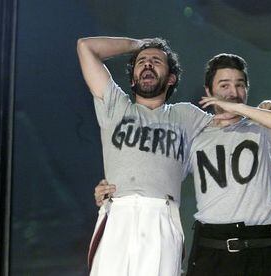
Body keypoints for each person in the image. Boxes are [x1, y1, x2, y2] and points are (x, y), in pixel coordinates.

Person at [94, 53, 271, 275]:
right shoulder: (196, 135)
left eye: (240, 85)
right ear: (209, 92)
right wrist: (111, 191)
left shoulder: (260, 127)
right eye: (224, 85)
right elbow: (157, 172)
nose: (233, 92)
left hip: (261, 245)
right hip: (211, 246)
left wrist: (244, 110)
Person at [77, 36, 212, 276]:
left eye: (156, 61)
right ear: (132, 78)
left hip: (161, 214)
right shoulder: (116, 106)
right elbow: (86, 47)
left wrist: (263, 107)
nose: (148, 64)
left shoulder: (185, 116)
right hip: (117, 211)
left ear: (171, 78)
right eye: (142, 61)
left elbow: (230, 129)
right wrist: (139, 44)